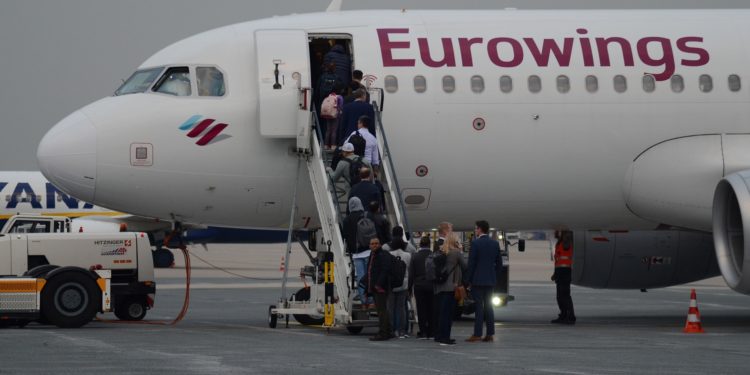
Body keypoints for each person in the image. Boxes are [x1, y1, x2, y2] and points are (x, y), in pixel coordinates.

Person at [465, 220, 502, 342]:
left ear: (480, 229)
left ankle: (477, 334)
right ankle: (490, 334)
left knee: (479, 307)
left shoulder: (475, 243)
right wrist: (494, 276)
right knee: (489, 307)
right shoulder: (495, 244)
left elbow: (472, 264)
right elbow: (499, 264)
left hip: (477, 281)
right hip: (490, 280)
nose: (475, 231)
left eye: (476, 229)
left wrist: (467, 280)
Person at [434, 233, 466, 346]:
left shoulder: (441, 251)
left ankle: (438, 335)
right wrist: (461, 251)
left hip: (439, 286)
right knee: (448, 314)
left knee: (441, 313)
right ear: (455, 242)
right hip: (451, 287)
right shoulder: (456, 253)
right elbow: (465, 266)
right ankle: (445, 337)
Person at [383, 226, 414, 338]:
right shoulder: (408, 250)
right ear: (402, 235)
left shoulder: (386, 248)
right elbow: (411, 265)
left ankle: (391, 329)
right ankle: (401, 330)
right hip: (404, 283)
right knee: (401, 308)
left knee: (390, 307)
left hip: (391, 283)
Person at [342, 197, 369, 304]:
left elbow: (345, 235)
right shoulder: (365, 215)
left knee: (360, 277)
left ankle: (363, 300)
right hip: (368, 250)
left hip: (356, 254)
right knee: (370, 275)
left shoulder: (347, 219)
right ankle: (371, 300)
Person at [366, 237, 393, 341]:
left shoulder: (382, 255)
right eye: (372, 244)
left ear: (380, 244)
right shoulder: (373, 255)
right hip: (375, 287)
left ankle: (383, 333)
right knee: (382, 310)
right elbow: (370, 271)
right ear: (369, 245)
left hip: (380, 288)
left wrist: (378, 284)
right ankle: (388, 331)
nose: (374, 245)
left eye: (376, 243)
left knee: (382, 311)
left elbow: (385, 270)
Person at [410, 236, 435, 340]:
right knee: (431, 308)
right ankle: (431, 331)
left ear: (420, 244)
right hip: (431, 285)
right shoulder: (434, 255)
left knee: (421, 309)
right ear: (429, 244)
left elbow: (411, 273)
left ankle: (423, 332)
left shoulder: (415, 256)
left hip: (419, 285)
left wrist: (409, 288)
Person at [551, 230, 576, 325]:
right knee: (559, 296)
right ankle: (564, 315)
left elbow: (567, 236)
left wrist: (563, 233)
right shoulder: (559, 244)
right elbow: (558, 260)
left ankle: (570, 317)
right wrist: (555, 273)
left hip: (565, 272)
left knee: (565, 295)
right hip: (559, 272)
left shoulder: (566, 242)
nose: (555, 233)